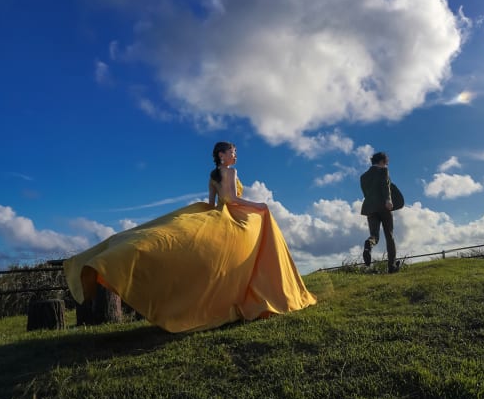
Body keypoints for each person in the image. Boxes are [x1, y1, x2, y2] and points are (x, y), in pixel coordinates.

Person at [64, 141, 316, 332]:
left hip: (219, 213)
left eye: (235, 152)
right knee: (264, 221)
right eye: (231, 152)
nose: (235, 155)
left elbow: (212, 202)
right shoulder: (231, 172)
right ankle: (268, 290)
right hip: (237, 217)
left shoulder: (212, 175)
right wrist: (259, 205)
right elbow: (231, 200)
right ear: (221, 155)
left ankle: (107, 258)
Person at [359, 151, 400, 273]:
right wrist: (388, 200)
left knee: (374, 236)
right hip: (383, 207)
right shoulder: (383, 171)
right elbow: (385, 185)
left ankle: (369, 244)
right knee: (389, 236)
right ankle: (392, 266)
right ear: (382, 162)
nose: (387, 165)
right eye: (386, 162)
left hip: (369, 208)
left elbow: (365, 193)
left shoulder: (363, 176)